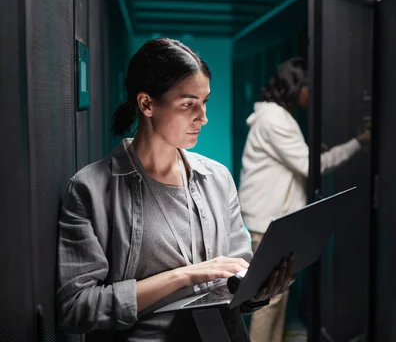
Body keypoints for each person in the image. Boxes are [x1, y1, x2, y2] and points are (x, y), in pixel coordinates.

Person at [55, 38, 293, 342]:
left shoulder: (217, 178)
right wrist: (186, 275)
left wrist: (257, 291)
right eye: (188, 104)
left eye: (204, 102)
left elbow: (235, 282)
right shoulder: (90, 189)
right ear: (147, 104)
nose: (203, 117)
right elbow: (76, 309)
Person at [238, 57, 370, 342]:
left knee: (275, 296)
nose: (310, 93)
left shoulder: (275, 116)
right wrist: (359, 142)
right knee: (268, 300)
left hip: (269, 218)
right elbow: (313, 167)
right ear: (295, 86)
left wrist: (308, 149)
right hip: (267, 221)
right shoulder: (275, 119)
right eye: (308, 86)